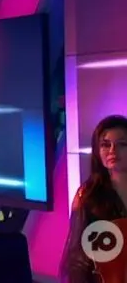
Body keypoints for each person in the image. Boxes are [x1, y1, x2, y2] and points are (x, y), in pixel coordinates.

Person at [61, 115, 127, 283]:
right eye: (105, 144)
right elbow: (77, 258)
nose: (112, 151)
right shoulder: (88, 196)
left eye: (122, 144)